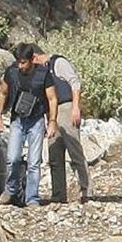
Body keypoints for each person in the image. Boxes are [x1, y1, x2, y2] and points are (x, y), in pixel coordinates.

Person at [0, 43, 58, 207]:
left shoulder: (43, 74)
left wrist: (52, 122)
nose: (20, 65)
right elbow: (3, 92)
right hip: (17, 120)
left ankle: (32, 198)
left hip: (36, 121)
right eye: (18, 62)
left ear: (32, 60)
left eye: (23, 62)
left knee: (34, 162)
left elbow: (52, 98)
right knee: (12, 158)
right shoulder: (12, 72)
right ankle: (11, 189)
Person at [33, 46, 92, 203]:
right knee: (54, 153)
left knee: (75, 151)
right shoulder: (43, 71)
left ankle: (86, 190)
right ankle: (58, 194)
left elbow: (75, 82)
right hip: (52, 113)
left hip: (66, 107)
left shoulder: (58, 63)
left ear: (35, 57)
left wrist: (75, 107)